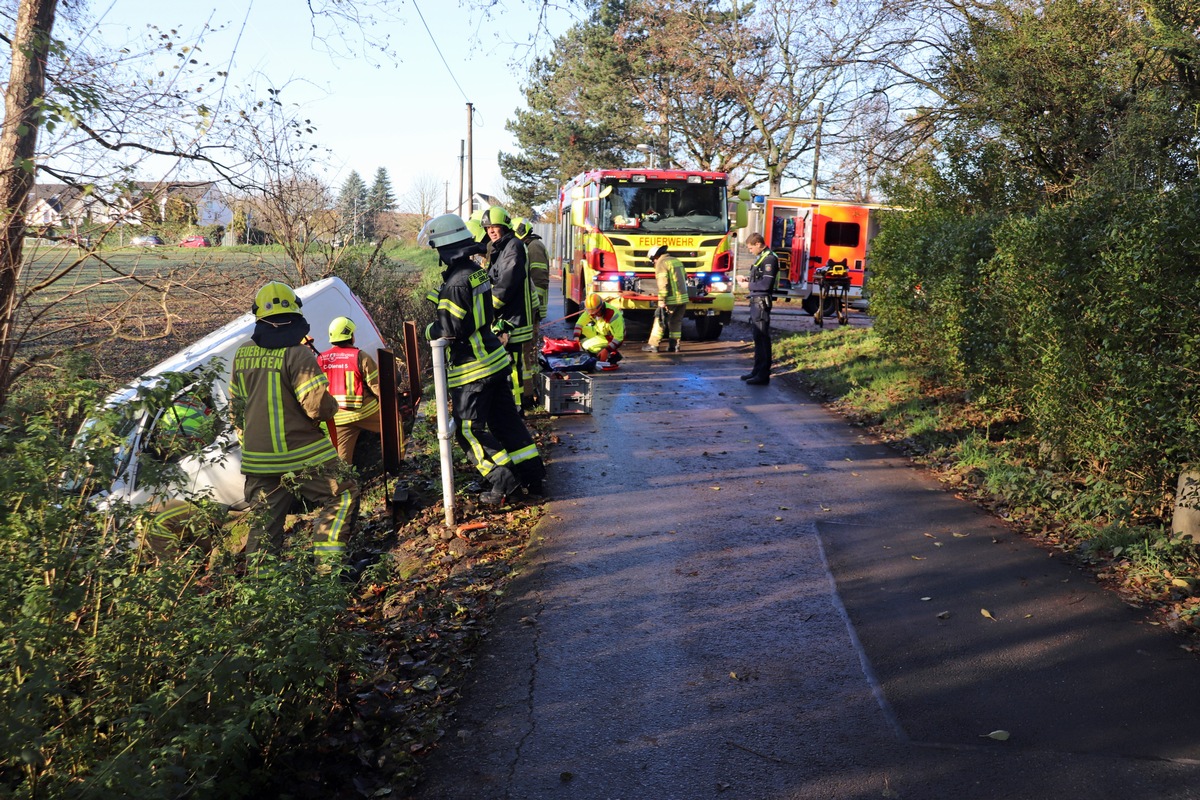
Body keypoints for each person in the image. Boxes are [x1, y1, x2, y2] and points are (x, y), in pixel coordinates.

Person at [229, 281, 359, 567]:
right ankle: (329, 569)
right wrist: (333, 405)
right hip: (302, 453)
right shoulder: (297, 353)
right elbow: (318, 408)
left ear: (259, 317)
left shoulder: (243, 353)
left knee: (265, 524)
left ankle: (263, 592)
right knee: (343, 493)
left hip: (258, 460)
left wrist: (250, 446)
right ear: (296, 314)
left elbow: (235, 409)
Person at [422, 214, 547, 504]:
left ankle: (505, 482)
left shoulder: (456, 281)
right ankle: (533, 476)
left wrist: (431, 328)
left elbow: (448, 329)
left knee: (468, 432)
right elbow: (476, 308)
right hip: (494, 360)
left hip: (473, 370)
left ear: (443, 248)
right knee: (507, 424)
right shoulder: (475, 271)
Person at [481, 205, 536, 410]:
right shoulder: (501, 247)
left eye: (494, 227)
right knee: (510, 364)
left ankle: (517, 408)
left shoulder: (513, 246)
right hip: (507, 316)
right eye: (487, 228)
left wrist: (490, 307)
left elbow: (507, 282)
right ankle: (514, 405)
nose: (491, 231)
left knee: (513, 365)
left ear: (504, 226)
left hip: (513, 318)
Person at [317, 315, 384, 465]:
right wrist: (390, 404)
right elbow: (376, 386)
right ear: (351, 336)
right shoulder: (360, 356)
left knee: (340, 461)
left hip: (338, 417)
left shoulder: (321, 359)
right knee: (394, 425)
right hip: (365, 411)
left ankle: (341, 486)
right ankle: (398, 461)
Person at [514, 217, 550, 406]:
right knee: (530, 354)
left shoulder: (534, 246)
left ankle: (531, 392)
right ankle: (534, 388)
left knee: (529, 351)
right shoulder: (530, 245)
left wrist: (536, 308)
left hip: (532, 309)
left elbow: (539, 280)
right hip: (531, 307)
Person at [742, 232, 779, 386]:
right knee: (757, 337)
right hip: (756, 301)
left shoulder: (770, 258)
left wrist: (748, 285)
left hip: (761, 303)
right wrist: (747, 280)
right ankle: (756, 370)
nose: (750, 251)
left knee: (763, 337)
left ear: (758, 244)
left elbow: (765, 284)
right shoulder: (762, 257)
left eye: (751, 248)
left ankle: (763, 374)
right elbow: (759, 279)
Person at [642, 244, 689, 353]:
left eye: (652, 260)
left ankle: (653, 345)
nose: (653, 263)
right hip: (682, 299)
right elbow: (685, 277)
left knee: (660, 320)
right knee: (676, 322)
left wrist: (662, 300)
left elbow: (663, 283)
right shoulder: (676, 261)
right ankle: (674, 346)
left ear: (655, 257)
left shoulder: (661, 263)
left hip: (670, 299)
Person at [574, 293, 625, 364]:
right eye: (591, 313)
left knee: (587, 345)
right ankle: (599, 351)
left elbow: (619, 338)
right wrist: (576, 339)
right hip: (600, 332)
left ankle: (612, 354)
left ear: (601, 308)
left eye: (595, 313)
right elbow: (579, 324)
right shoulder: (591, 311)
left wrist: (607, 350)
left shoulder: (613, 315)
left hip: (610, 338)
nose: (593, 315)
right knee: (581, 331)